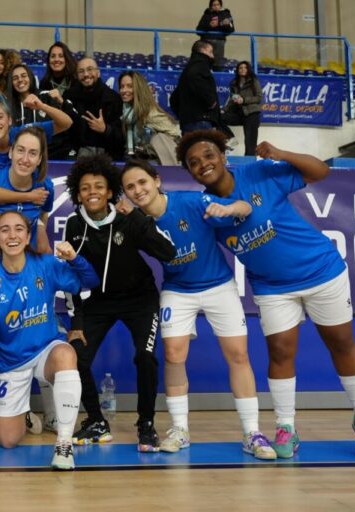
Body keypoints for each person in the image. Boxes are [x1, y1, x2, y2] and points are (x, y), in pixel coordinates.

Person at [177, 130, 355, 460]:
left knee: (341, 342)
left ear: (224, 156)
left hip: (321, 270)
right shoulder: (203, 209)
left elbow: (321, 171)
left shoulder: (258, 173)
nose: (203, 164)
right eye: (193, 163)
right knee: (280, 352)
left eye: (208, 156)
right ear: (190, 172)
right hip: (272, 288)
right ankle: (285, 427)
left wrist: (281, 152)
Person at [120, 159, 276, 460]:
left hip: (219, 286)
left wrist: (227, 209)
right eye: (130, 187)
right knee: (174, 356)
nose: (138, 190)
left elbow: (245, 207)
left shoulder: (192, 201)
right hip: (177, 292)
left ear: (156, 180)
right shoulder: (136, 222)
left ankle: (251, 432)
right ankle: (180, 429)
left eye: (142, 182)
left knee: (238, 355)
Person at [0, 210, 100, 470]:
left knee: (66, 355)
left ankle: (64, 444)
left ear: (28, 236)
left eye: (19, 229)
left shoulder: (46, 265)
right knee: (8, 441)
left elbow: (90, 281)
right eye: (4, 230)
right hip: (11, 361)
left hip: (45, 350)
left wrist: (75, 259)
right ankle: (24, 412)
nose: (12, 235)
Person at [62, 154, 174, 451]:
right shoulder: (73, 225)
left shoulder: (129, 217)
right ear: (78, 194)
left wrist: (136, 215)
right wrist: (76, 323)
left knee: (145, 356)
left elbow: (168, 252)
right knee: (76, 356)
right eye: (85, 188)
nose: (93, 192)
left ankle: (146, 423)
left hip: (140, 299)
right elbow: (72, 276)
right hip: (98, 302)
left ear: (111, 191)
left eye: (99, 186)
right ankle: (96, 421)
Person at [0, 92, 70, 283]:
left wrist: (41, 106)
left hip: (24, 199)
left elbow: (66, 123)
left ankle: (45, 292)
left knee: (43, 250)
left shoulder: (23, 135)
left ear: (10, 119)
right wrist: (29, 197)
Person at [7, 63, 79, 160]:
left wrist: (42, 106)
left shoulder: (46, 96)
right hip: (26, 157)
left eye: (24, 76)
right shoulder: (9, 105)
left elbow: (66, 122)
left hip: (55, 154)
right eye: (15, 78)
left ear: (31, 78)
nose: (20, 80)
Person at [63, 57, 124, 160]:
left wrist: (105, 129)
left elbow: (121, 137)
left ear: (98, 73)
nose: (86, 74)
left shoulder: (113, 98)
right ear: (77, 76)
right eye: (81, 71)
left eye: (90, 69)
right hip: (77, 155)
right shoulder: (69, 97)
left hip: (108, 155)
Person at [118, 71, 180, 165]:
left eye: (129, 86)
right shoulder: (127, 112)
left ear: (139, 89)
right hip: (137, 159)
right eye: (122, 87)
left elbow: (176, 134)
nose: (124, 90)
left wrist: (148, 149)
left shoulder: (149, 113)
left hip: (156, 163)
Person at [170, 40, 221, 134]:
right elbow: (196, 81)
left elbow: (174, 99)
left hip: (189, 122)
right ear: (203, 50)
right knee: (204, 148)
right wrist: (210, 101)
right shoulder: (200, 66)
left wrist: (183, 115)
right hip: (201, 121)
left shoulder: (188, 69)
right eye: (210, 52)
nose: (213, 56)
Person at [222, 61, 262, 156]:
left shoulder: (254, 81)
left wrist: (244, 100)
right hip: (240, 113)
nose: (243, 69)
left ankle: (249, 164)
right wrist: (224, 110)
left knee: (250, 144)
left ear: (248, 69)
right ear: (237, 70)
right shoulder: (234, 83)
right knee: (219, 118)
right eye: (240, 68)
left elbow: (259, 97)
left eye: (245, 67)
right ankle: (231, 139)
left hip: (252, 114)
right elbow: (232, 100)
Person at [196, 0, 234, 70]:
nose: (216, 6)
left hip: (219, 42)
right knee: (204, 64)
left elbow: (231, 30)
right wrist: (209, 25)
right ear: (211, 6)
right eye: (214, 5)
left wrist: (222, 24)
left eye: (218, 4)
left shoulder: (226, 14)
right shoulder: (206, 15)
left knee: (217, 65)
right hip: (206, 42)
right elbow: (198, 30)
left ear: (220, 5)